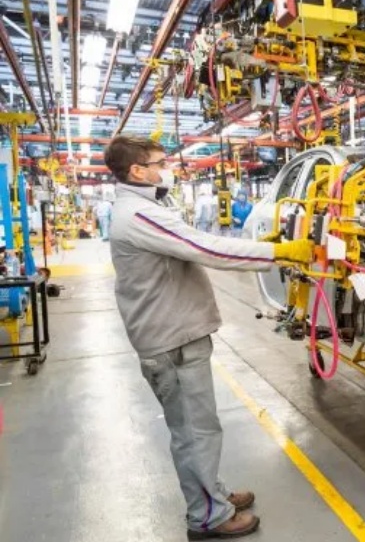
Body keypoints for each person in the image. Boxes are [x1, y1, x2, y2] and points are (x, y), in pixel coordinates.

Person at [104, 135, 314, 540]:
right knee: (194, 432)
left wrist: (264, 247)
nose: (166, 169)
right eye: (160, 163)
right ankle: (206, 517)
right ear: (137, 171)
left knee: (198, 427)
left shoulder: (144, 207)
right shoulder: (139, 214)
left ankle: (212, 494)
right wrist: (279, 252)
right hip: (172, 340)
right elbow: (205, 248)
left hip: (175, 331)